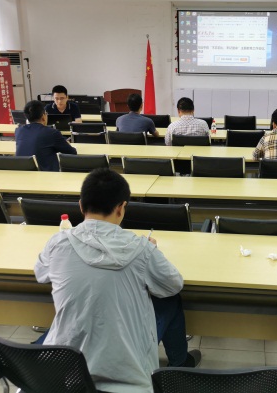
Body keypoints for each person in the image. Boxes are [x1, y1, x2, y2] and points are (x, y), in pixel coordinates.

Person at [34, 168, 200, 393]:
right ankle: (180, 364)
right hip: (129, 379)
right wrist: (151, 252)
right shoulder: (141, 249)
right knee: (169, 300)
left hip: (68, 371)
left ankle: (180, 363)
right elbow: (173, 284)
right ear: (121, 208)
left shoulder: (57, 243)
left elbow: (41, 274)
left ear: (81, 206)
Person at [15, 100, 77, 172]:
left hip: (24, 174)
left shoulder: (19, 131)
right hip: (46, 175)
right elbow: (72, 152)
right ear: (43, 116)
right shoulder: (52, 133)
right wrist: (65, 143)